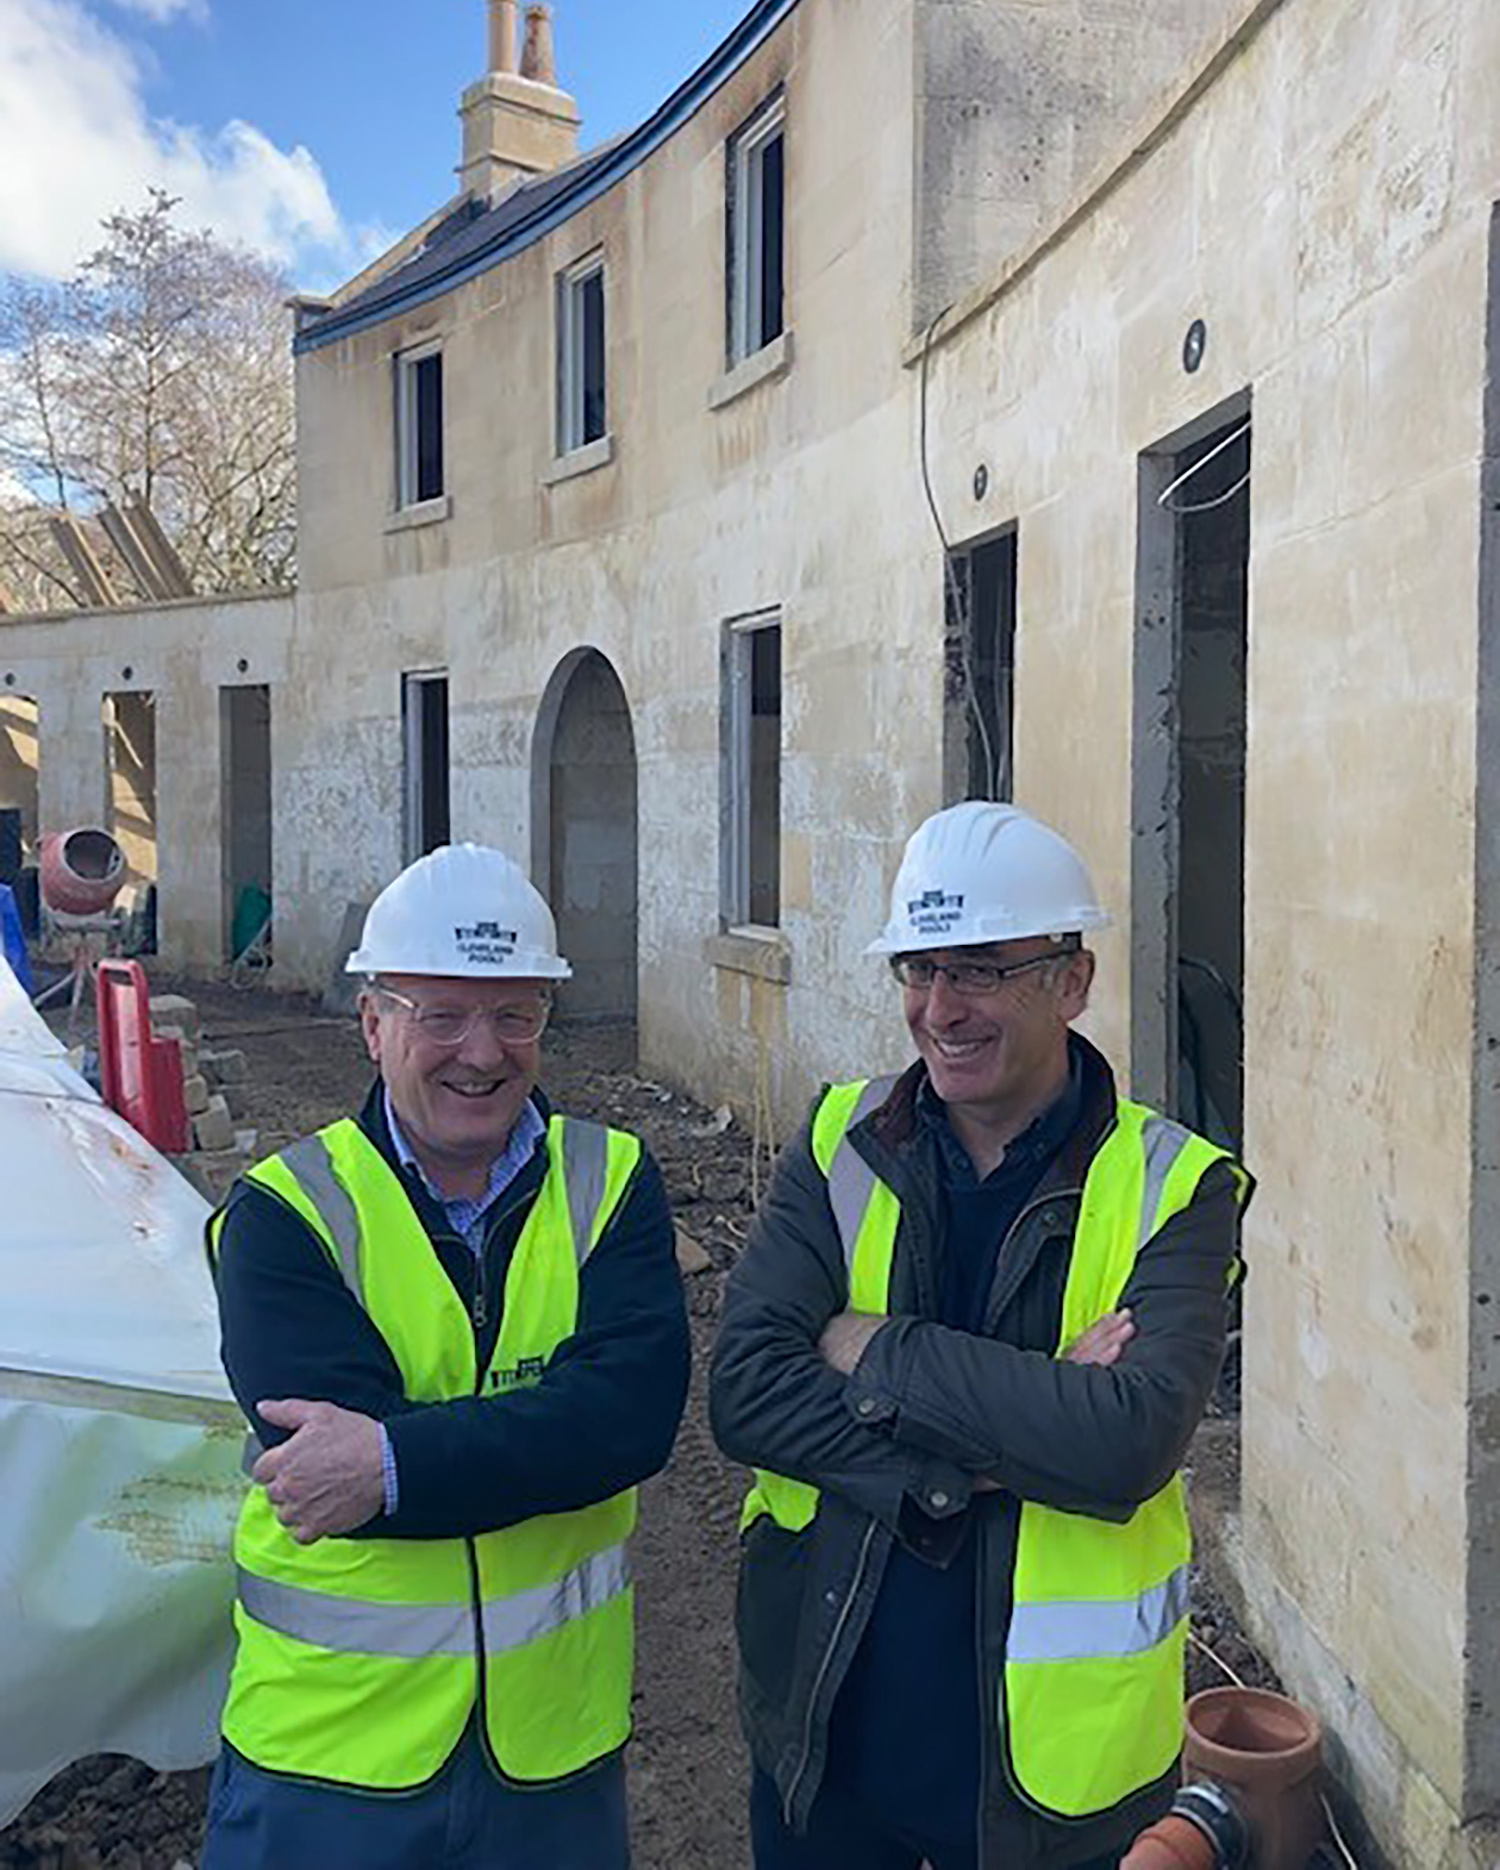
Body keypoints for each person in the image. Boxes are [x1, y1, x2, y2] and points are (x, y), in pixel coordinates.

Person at [710, 801, 1250, 1870]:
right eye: (919, 969)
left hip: (1052, 1785)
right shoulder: (839, 1139)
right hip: (827, 1729)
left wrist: (875, 1345)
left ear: (1073, 981)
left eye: (981, 970)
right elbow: (747, 1393)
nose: (940, 1007)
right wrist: (1016, 1427)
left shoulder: (1175, 1186)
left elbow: (1126, 1442)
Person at [202, 843, 690, 1870]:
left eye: (515, 1014)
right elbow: (320, 1478)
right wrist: (552, 1427)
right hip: (331, 1759)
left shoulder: (611, 1180)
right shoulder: (285, 1214)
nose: (483, 1051)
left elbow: (631, 1419)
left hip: (552, 1757)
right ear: (373, 1024)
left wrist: (388, 1461)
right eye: (442, 1015)